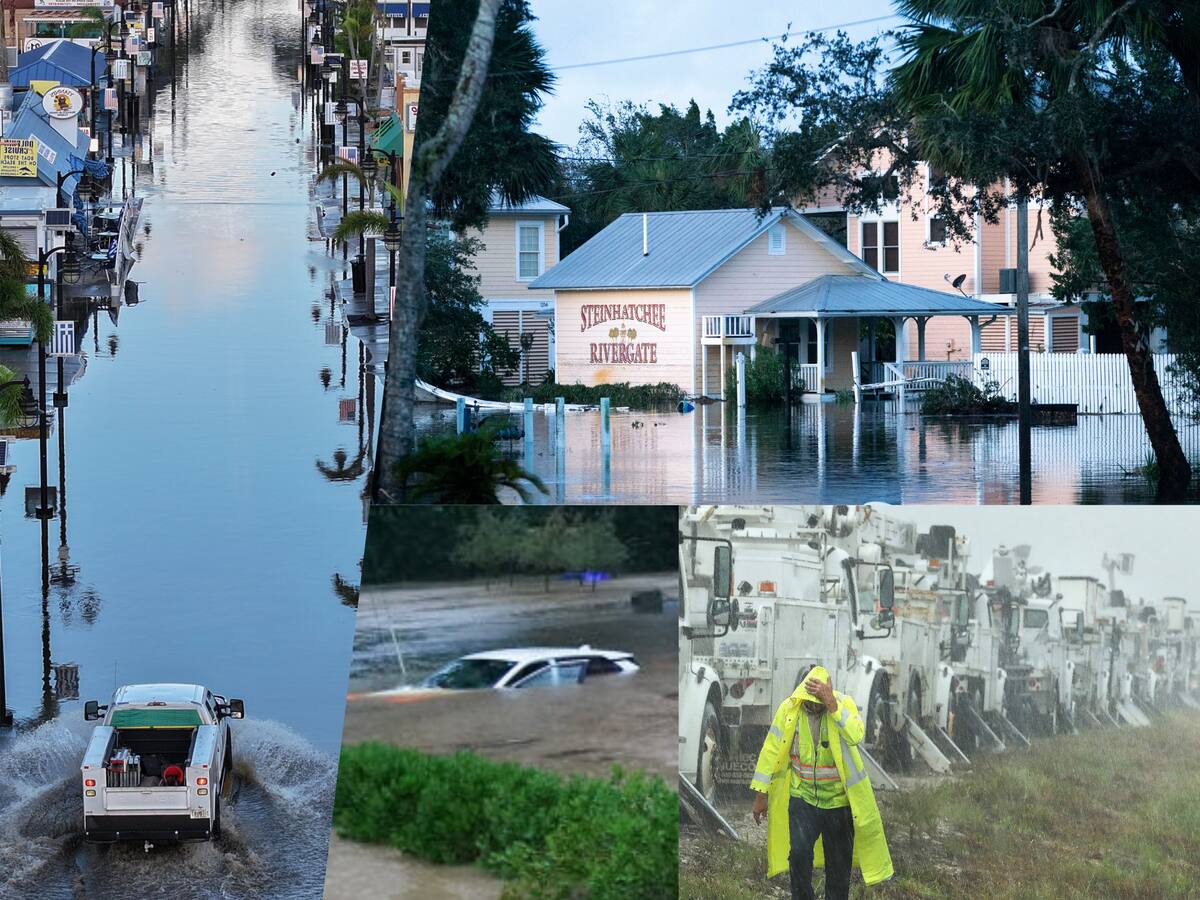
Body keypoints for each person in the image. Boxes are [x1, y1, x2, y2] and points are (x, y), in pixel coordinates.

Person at [749, 665, 892, 899]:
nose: (814, 706)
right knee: (799, 855)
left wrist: (832, 706)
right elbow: (770, 753)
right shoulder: (789, 710)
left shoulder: (842, 704)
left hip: (838, 805)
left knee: (838, 871)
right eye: (810, 700)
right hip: (803, 800)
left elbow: (856, 735)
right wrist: (760, 795)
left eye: (818, 700)